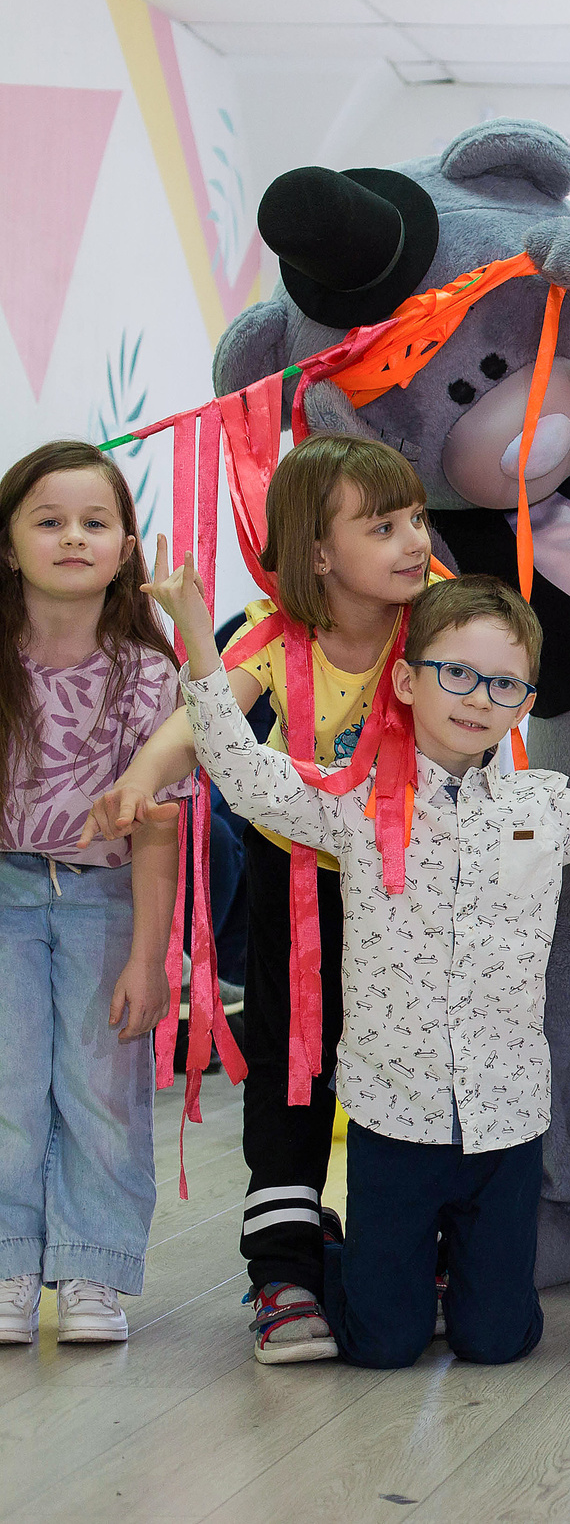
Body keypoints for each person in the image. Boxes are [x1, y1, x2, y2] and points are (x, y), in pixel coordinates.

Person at [157, 566, 570, 1368]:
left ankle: (450, 1280)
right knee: (384, 1343)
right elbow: (244, 775)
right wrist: (201, 642)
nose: (479, 697)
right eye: (458, 674)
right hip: (394, 1116)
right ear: (408, 681)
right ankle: (341, 1260)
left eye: (505, 683)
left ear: (527, 701)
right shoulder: (354, 801)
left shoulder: (545, 806)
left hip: (506, 1124)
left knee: (498, 1339)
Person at [86, 434, 431, 1364]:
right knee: (290, 1068)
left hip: (419, 892)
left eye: (417, 520)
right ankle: (282, 1272)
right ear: (319, 553)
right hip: (300, 891)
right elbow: (197, 724)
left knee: (409, 1061)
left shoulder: (433, 629)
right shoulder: (272, 639)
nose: (414, 540)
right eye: (384, 524)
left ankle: (408, 1249)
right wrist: (139, 780)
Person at [0, 444, 183, 1346]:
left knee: (101, 1086)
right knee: (7, 1084)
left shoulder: (148, 674)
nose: (73, 535)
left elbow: (158, 827)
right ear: (8, 544)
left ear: (124, 546)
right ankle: (6, 1262)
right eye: (48, 519)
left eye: (94, 522)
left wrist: (150, 957)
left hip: (106, 899)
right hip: (3, 893)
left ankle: (91, 1270)